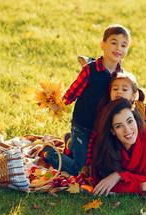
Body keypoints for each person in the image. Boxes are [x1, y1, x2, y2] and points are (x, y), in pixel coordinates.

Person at [39, 24, 130, 176]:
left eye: (123, 45)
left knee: (99, 164)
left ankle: (71, 144)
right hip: (83, 125)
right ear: (103, 45)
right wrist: (59, 105)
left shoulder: (121, 75)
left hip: (102, 127)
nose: (118, 48)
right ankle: (50, 153)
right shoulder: (90, 69)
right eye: (113, 42)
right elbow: (72, 92)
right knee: (81, 170)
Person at [86, 71, 146, 167]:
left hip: (135, 148)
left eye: (124, 89)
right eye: (115, 89)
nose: (119, 91)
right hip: (115, 151)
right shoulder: (106, 111)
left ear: (134, 95)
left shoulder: (139, 109)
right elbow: (96, 136)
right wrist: (90, 162)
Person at [91, 98, 146, 198]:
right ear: (112, 131)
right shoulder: (106, 145)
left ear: (135, 119)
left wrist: (120, 175)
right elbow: (104, 184)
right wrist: (142, 185)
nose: (127, 130)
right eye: (118, 126)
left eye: (130, 121)